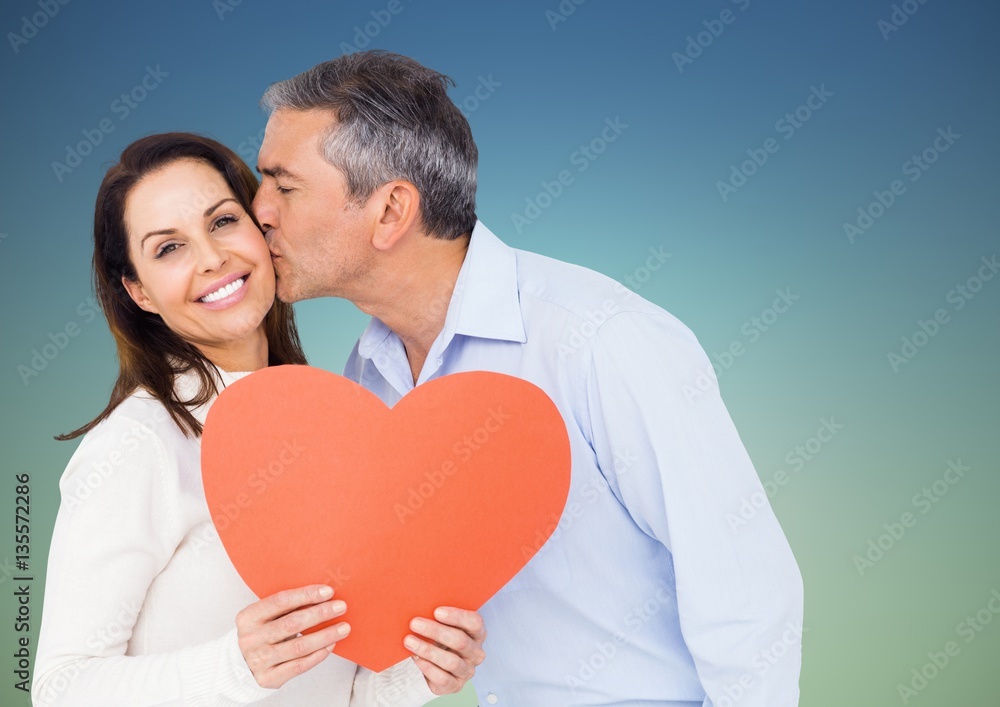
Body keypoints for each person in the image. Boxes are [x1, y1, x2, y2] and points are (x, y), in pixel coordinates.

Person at [251, 51, 805, 706]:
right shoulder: (370, 373)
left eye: (283, 186)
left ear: (391, 211)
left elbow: (745, 592)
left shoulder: (601, 340)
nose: (258, 210)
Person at [32, 133, 486, 706]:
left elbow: (339, 692)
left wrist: (420, 672)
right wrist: (236, 666)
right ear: (139, 291)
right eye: (168, 249)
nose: (212, 258)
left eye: (222, 222)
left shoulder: (329, 426)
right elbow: (60, 686)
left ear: (263, 229)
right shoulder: (138, 444)